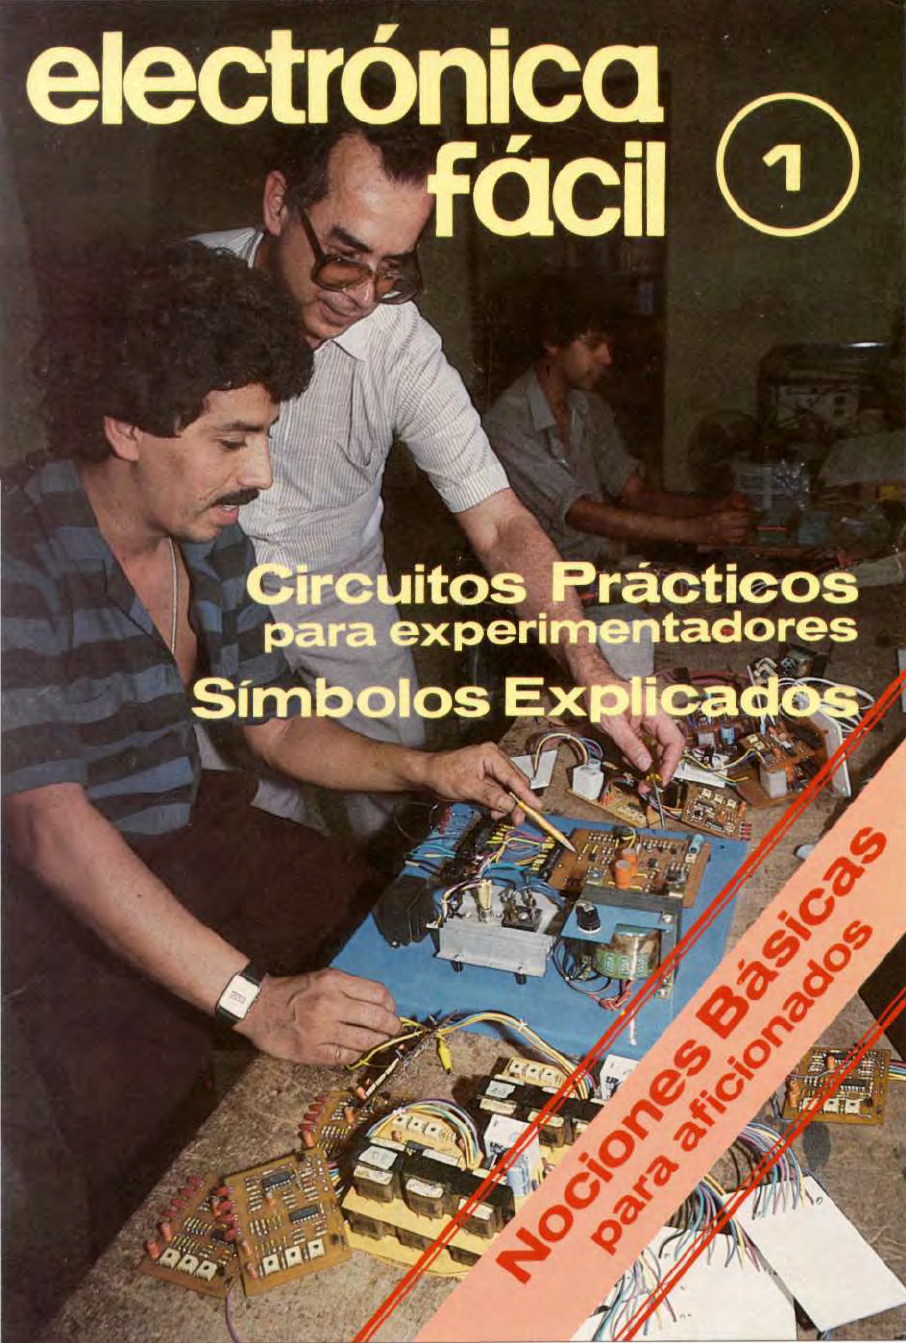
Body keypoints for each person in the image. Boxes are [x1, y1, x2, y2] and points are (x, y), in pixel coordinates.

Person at [1, 242, 542, 1236]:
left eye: (265, 437)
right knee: (163, 1181)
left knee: (391, 928)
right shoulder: (16, 551)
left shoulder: (209, 535)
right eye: (232, 440)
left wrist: (427, 766)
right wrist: (258, 1003)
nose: (259, 473)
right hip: (55, 908)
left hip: (182, 830)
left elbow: (276, 720)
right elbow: (48, 828)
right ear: (124, 423)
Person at [196, 121, 684, 840]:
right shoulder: (184, 290)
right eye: (345, 257)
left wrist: (592, 668)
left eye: (393, 267)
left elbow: (501, 522)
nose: (363, 297)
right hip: (204, 602)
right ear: (278, 204)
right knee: (253, 826)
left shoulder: (401, 341)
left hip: (340, 596)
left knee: (400, 816)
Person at [484, 282, 752, 677]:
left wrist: (711, 508)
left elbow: (635, 491)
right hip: (539, 598)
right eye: (594, 344)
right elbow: (580, 512)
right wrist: (693, 530)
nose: (607, 358)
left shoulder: (588, 408)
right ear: (552, 343)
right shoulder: (507, 422)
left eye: (608, 344)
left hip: (595, 578)